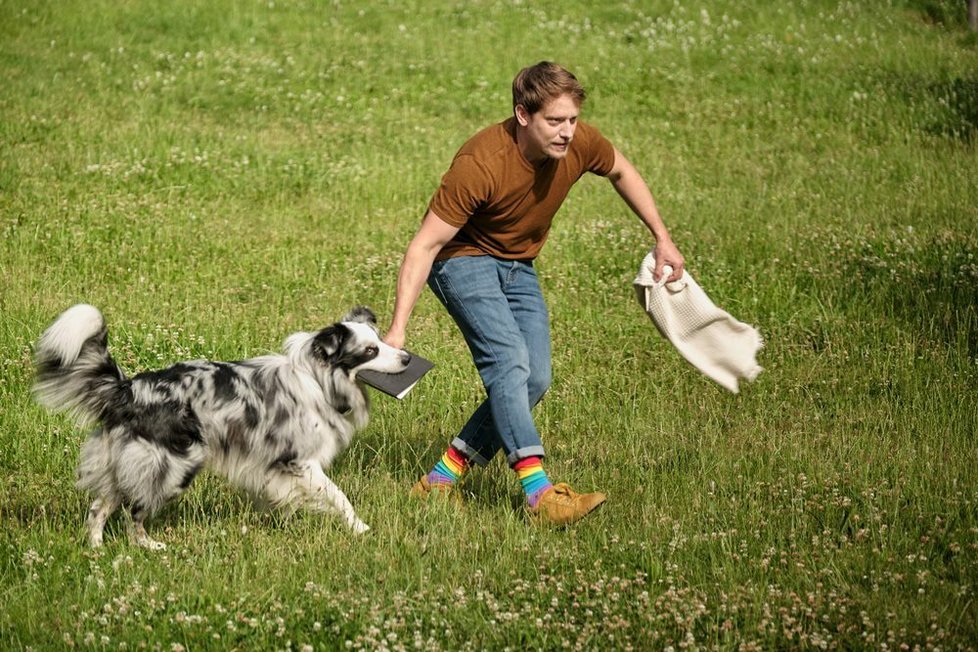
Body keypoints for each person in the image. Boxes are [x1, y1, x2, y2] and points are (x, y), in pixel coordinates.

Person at [384, 61, 685, 525]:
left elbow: (622, 171)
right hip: (461, 261)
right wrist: (398, 330)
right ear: (524, 115)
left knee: (534, 378)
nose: (567, 132)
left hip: (518, 263)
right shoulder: (480, 164)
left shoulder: (579, 142)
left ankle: (441, 480)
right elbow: (424, 245)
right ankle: (539, 493)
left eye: (572, 120)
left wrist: (662, 237)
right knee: (508, 362)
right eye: (555, 121)